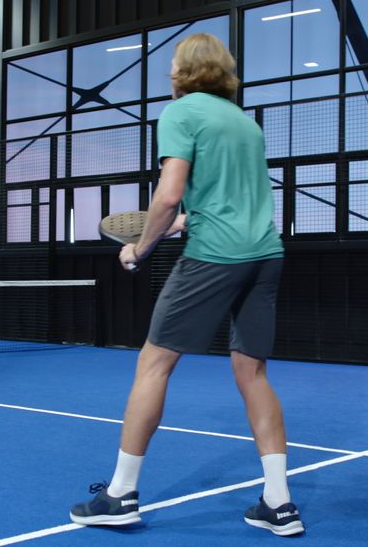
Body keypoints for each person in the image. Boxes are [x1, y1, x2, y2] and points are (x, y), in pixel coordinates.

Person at [68, 33, 303, 536]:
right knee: (253, 373)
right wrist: (179, 224)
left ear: (184, 71)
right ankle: (278, 503)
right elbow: (224, 199)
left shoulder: (180, 113)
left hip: (215, 256)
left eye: (173, 63)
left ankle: (120, 495)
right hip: (265, 255)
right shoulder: (245, 124)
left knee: (154, 364)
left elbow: (170, 193)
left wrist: (140, 248)